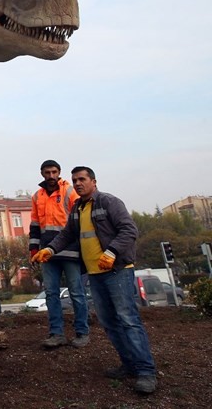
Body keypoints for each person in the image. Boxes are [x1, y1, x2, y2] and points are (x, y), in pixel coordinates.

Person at [32, 166, 158, 395]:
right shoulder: (78, 208)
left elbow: (129, 230)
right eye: (74, 180)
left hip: (117, 270)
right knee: (109, 322)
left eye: (82, 179)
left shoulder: (108, 202)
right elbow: (67, 235)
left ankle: (146, 372)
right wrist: (50, 249)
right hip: (94, 274)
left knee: (128, 320)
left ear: (94, 181)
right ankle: (129, 365)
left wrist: (111, 252)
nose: (78, 183)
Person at [29, 158, 89, 348]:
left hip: (70, 250)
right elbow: (35, 225)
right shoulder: (37, 196)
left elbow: (80, 218)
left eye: (54, 172)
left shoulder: (69, 191)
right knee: (51, 294)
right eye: (47, 173)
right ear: (42, 174)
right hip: (48, 253)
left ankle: (82, 332)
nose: (51, 176)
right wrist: (33, 250)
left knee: (77, 293)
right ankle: (57, 333)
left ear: (59, 172)